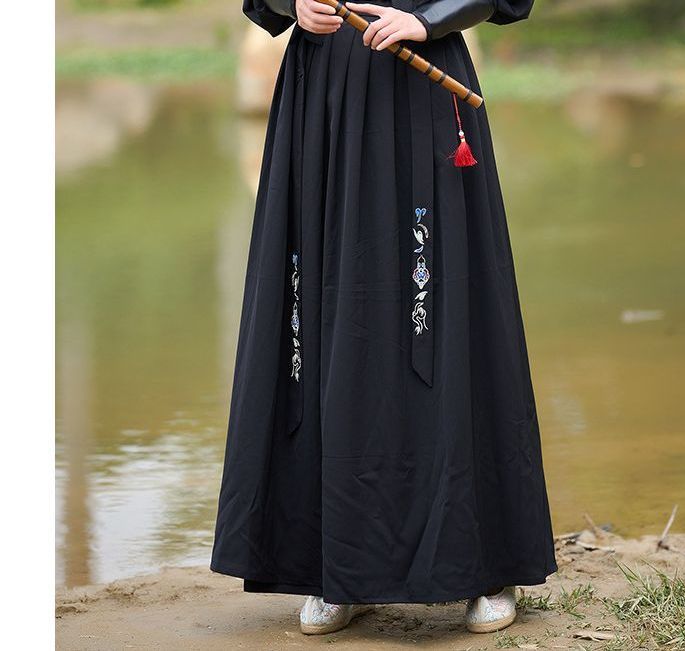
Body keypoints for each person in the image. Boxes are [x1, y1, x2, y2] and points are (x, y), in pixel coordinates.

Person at [211, 0, 557, 635]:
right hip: (323, 99)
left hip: (422, 85)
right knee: (322, 315)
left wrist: (431, 18)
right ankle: (338, 569)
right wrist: (292, 4)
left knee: (445, 314)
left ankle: (485, 569)